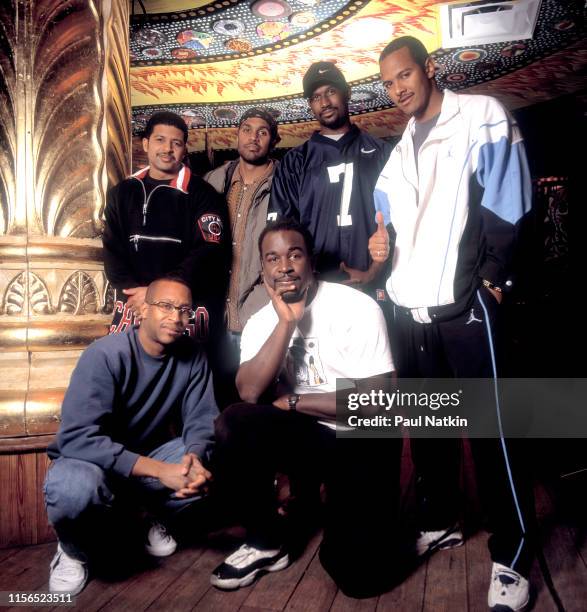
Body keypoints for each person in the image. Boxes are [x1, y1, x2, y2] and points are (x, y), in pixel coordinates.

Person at [370, 36, 534, 612]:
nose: (398, 89)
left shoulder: (481, 115)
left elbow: (508, 202)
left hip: (465, 306)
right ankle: (440, 518)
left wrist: (490, 280)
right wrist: (380, 243)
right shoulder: (396, 150)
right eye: (389, 83)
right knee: (431, 428)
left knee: (493, 433)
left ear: (429, 68)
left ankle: (512, 553)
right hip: (411, 311)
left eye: (405, 75)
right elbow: (386, 221)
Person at [210, 219, 407, 598]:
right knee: (234, 423)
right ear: (263, 268)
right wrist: (287, 322)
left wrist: (298, 400)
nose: (284, 266)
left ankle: (340, 510)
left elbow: (376, 403)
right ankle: (267, 541)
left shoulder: (356, 306)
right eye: (273, 258)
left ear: (310, 261)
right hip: (309, 435)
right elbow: (249, 391)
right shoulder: (261, 321)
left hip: (361, 438)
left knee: (359, 577)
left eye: (294, 254)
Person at [44, 277, 217, 595]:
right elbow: (76, 438)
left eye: (183, 310)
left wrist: (194, 455)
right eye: (165, 306)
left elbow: (202, 420)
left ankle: (143, 516)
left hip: (144, 461)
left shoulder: (193, 356)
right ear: (143, 311)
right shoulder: (104, 355)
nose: (176, 318)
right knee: (71, 488)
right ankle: (72, 548)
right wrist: (160, 471)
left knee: (211, 459)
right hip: (91, 463)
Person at [269, 61, 391, 304]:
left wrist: (373, 273)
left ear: (346, 93)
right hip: (314, 288)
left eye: (330, 92)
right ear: (310, 105)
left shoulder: (381, 153)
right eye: (315, 97)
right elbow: (282, 235)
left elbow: (399, 223)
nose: (324, 103)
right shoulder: (294, 162)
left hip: (372, 285)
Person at [102, 111, 229, 344]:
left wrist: (156, 296)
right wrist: (138, 297)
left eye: (176, 143)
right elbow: (112, 251)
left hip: (182, 309)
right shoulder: (121, 192)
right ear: (146, 143)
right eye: (160, 140)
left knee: (183, 373)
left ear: (184, 149)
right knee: (129, 373)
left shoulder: (204, 194)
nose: (167, 149)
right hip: (133, 306)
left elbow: (208, 253)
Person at [204, 108, 280, 405]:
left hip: (259, 312)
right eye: (247, 129)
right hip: (216, 317)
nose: (253, 138)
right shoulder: (212, 181)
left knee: (258, 407)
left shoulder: (285, 184)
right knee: (216, 405)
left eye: (262, 132)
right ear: (237, 135)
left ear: (274, 140)